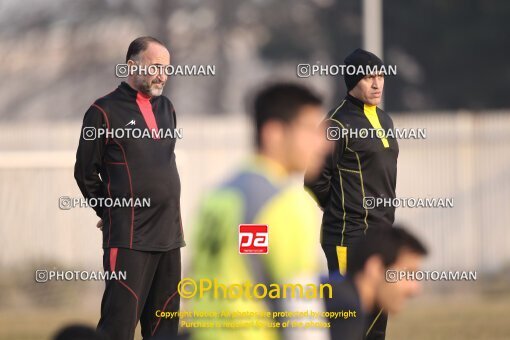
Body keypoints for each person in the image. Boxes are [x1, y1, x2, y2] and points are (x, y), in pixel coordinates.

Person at [189, 83, 330, 340]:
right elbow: (301, 311)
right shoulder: (284, 204)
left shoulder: (218, 195)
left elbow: (246, 262)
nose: (322, 144)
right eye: (310, 129)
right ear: (274, 133)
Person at [74, 36, 184, 340]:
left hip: (170, 236)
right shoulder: (103, 111)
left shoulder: (167, 108)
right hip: (129, 237)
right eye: (155, 67)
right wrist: (109, 212)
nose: (162, 75)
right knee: (118, 328)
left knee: (164, 330)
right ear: (132, 66)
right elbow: (85, 173)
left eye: (167, 68)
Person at [305, 48, 399, 339]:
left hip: (382, 234)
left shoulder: (384, 120)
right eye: (369, 77)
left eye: (380, 76)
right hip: (349, 236)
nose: (377, 84)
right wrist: (343, 209)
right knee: (352, 320)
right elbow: (313, 179)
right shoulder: (335, 124)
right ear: (352, 81)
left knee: (377, 319)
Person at [324, 226, 427, 340]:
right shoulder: (344, 312)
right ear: (375, 268)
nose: (415, 289)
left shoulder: (342, 301)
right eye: (407, 274)